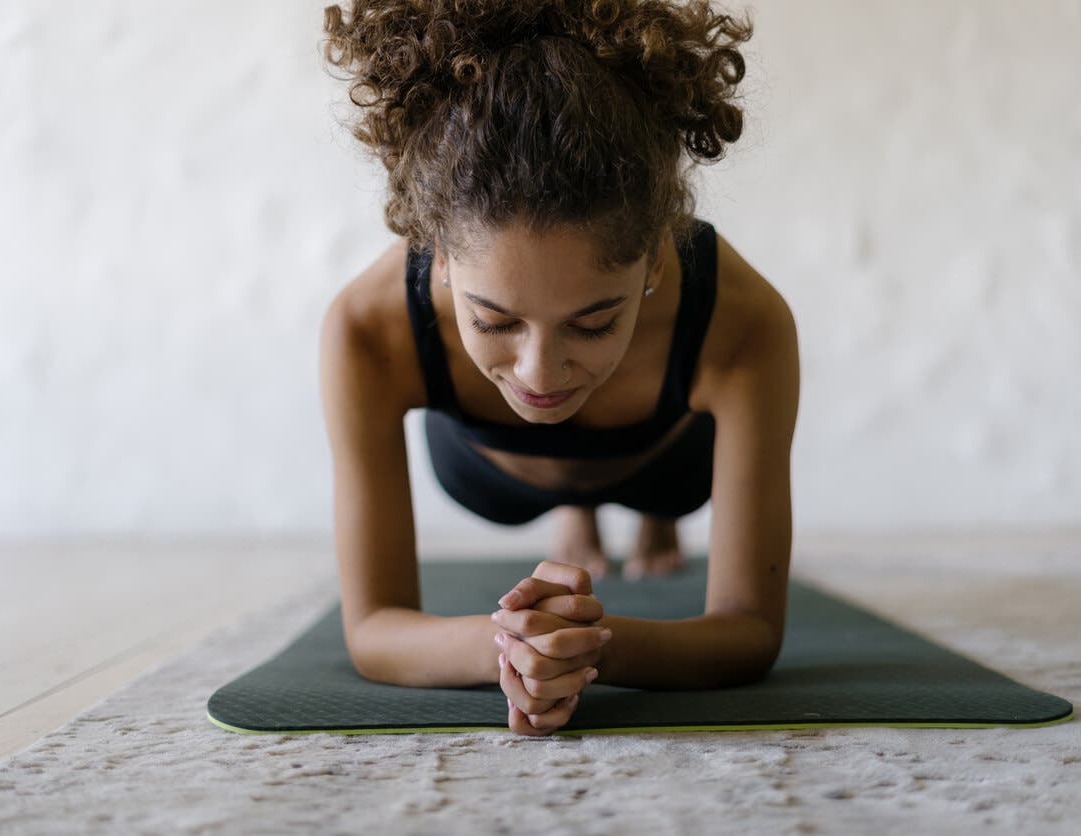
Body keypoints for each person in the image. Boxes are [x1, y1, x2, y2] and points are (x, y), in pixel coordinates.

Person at [317, 0, 800, 736]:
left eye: (593, 321)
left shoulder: (743, 321)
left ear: (655, 259)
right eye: (494, 321)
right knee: (556, 433)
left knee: (668, 499)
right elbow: (373, 628)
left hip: (668, 463)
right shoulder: (367, 328)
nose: (540, 374)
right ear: (439, 255)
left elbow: (750, 632)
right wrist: (514, 647)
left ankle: (648, 519)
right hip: (493, 474)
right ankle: (578, 510)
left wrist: (583, 646)